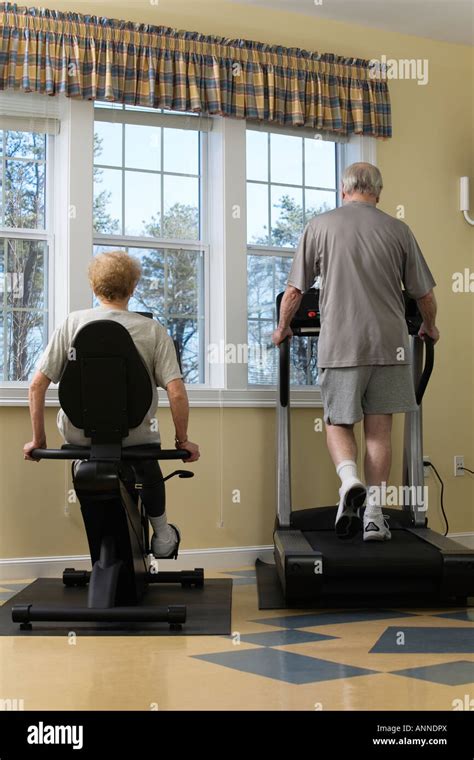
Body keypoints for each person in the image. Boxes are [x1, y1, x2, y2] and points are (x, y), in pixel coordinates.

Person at [272, 162, 439, 543]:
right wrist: (430, 326)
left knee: (338, 422)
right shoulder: (399, 230)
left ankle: (349, 481)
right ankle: (375, 515)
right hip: (391, 346)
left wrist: (283, 329)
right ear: (378, 193)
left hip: (342, 344)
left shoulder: (320, 225)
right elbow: (424, 295)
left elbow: (295, 290)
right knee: (379, 431)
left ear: (343, 189)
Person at [23, 250, 200, 558]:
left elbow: (37, 385)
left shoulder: (72, 323)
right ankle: (162, 534)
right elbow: (177, 393)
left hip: (81, 436)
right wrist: (183, 440)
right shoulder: (152, 331)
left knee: (88, 468)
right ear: (132, 288)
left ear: (94, 287)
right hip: (137, 438)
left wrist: (38, 441)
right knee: (147, 462)